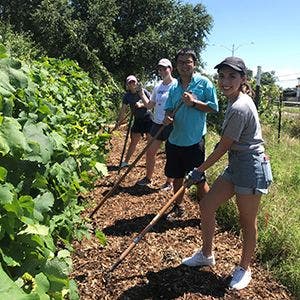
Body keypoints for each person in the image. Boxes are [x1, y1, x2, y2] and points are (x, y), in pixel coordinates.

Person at [181, 57, 273, 290]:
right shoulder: (235, 101)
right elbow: (226, 146)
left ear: (243, 79)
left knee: (246, 221)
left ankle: (244, 268)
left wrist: (199, 170)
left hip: (251, 168)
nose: (225, 81)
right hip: (236, 164)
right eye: (222, 76)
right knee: (207, 204)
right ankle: (206, 254)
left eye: (232, 76)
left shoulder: (240, 106)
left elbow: (223, 146)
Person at [163, 48, 218, 218]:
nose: (184, 65)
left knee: (199, 181)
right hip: (174, 141)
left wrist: (194, 103)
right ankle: (178, 208)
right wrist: (167, 118)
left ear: (194, 64)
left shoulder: (204, 83)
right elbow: (169, 110)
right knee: (177, 177)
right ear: (176, 66)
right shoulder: (174, 88)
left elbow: (213, 108)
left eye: (188, 61)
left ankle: (207, 213)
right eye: (181, 62)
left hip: (194, 142)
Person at [135, 58, 176, 190]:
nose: (162, 71)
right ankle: (148, 178)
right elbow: (149, 105)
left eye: (165, 68)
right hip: (157, 123)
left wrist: (171, 117)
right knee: (150, 152)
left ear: (171, 69)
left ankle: (169, 182)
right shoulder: (158, 87)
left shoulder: (176, 85)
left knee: (170, 154)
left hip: (170, 125)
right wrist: (141, 93)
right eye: (160, 69)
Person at [116, 75, 153, 167]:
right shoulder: (127, 96)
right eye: (130, 82)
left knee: (150, 143)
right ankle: (126, 162)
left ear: (137, 82)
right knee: (133, 142)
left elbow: (151, 104)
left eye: (134, 82)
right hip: (137, 120)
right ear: (127, 85)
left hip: (148, 119)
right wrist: (119, 122)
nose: (132, 84)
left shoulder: (143, 92)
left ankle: (149, 162)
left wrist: (141, 105)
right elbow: (123, 110)